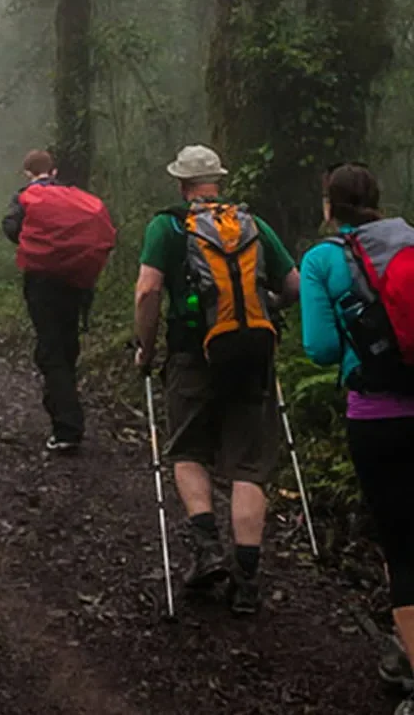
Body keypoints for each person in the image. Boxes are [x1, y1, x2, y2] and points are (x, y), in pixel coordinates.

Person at [133, 144, 300, 615]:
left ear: (182, 184)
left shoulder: (167, 226)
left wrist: (146, 349)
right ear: (217, 182)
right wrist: (263, 311)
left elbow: (148, 290)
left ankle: (206, 549)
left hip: (191, 354)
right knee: (248, 466)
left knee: (188, 450)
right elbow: (294, 285)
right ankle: (247, 581)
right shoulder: (253, 224)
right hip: (252, 353)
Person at [300, 163, 414, 714]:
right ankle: (400, 651)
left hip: (378, 417)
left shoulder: (324, 259)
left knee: (401, 541)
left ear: (329, 206)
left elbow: (320, 349)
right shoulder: (410, 241)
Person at [3, 150, 116, 454]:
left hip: (42, 282)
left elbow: (12, 228)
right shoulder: (74, 195)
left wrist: (39, 246)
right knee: (67, 344)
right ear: (52, 170)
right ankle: (63, 405)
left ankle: (67, 425)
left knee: (50, 349)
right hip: (77, 280)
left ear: (28, 172)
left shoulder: (25, 196)